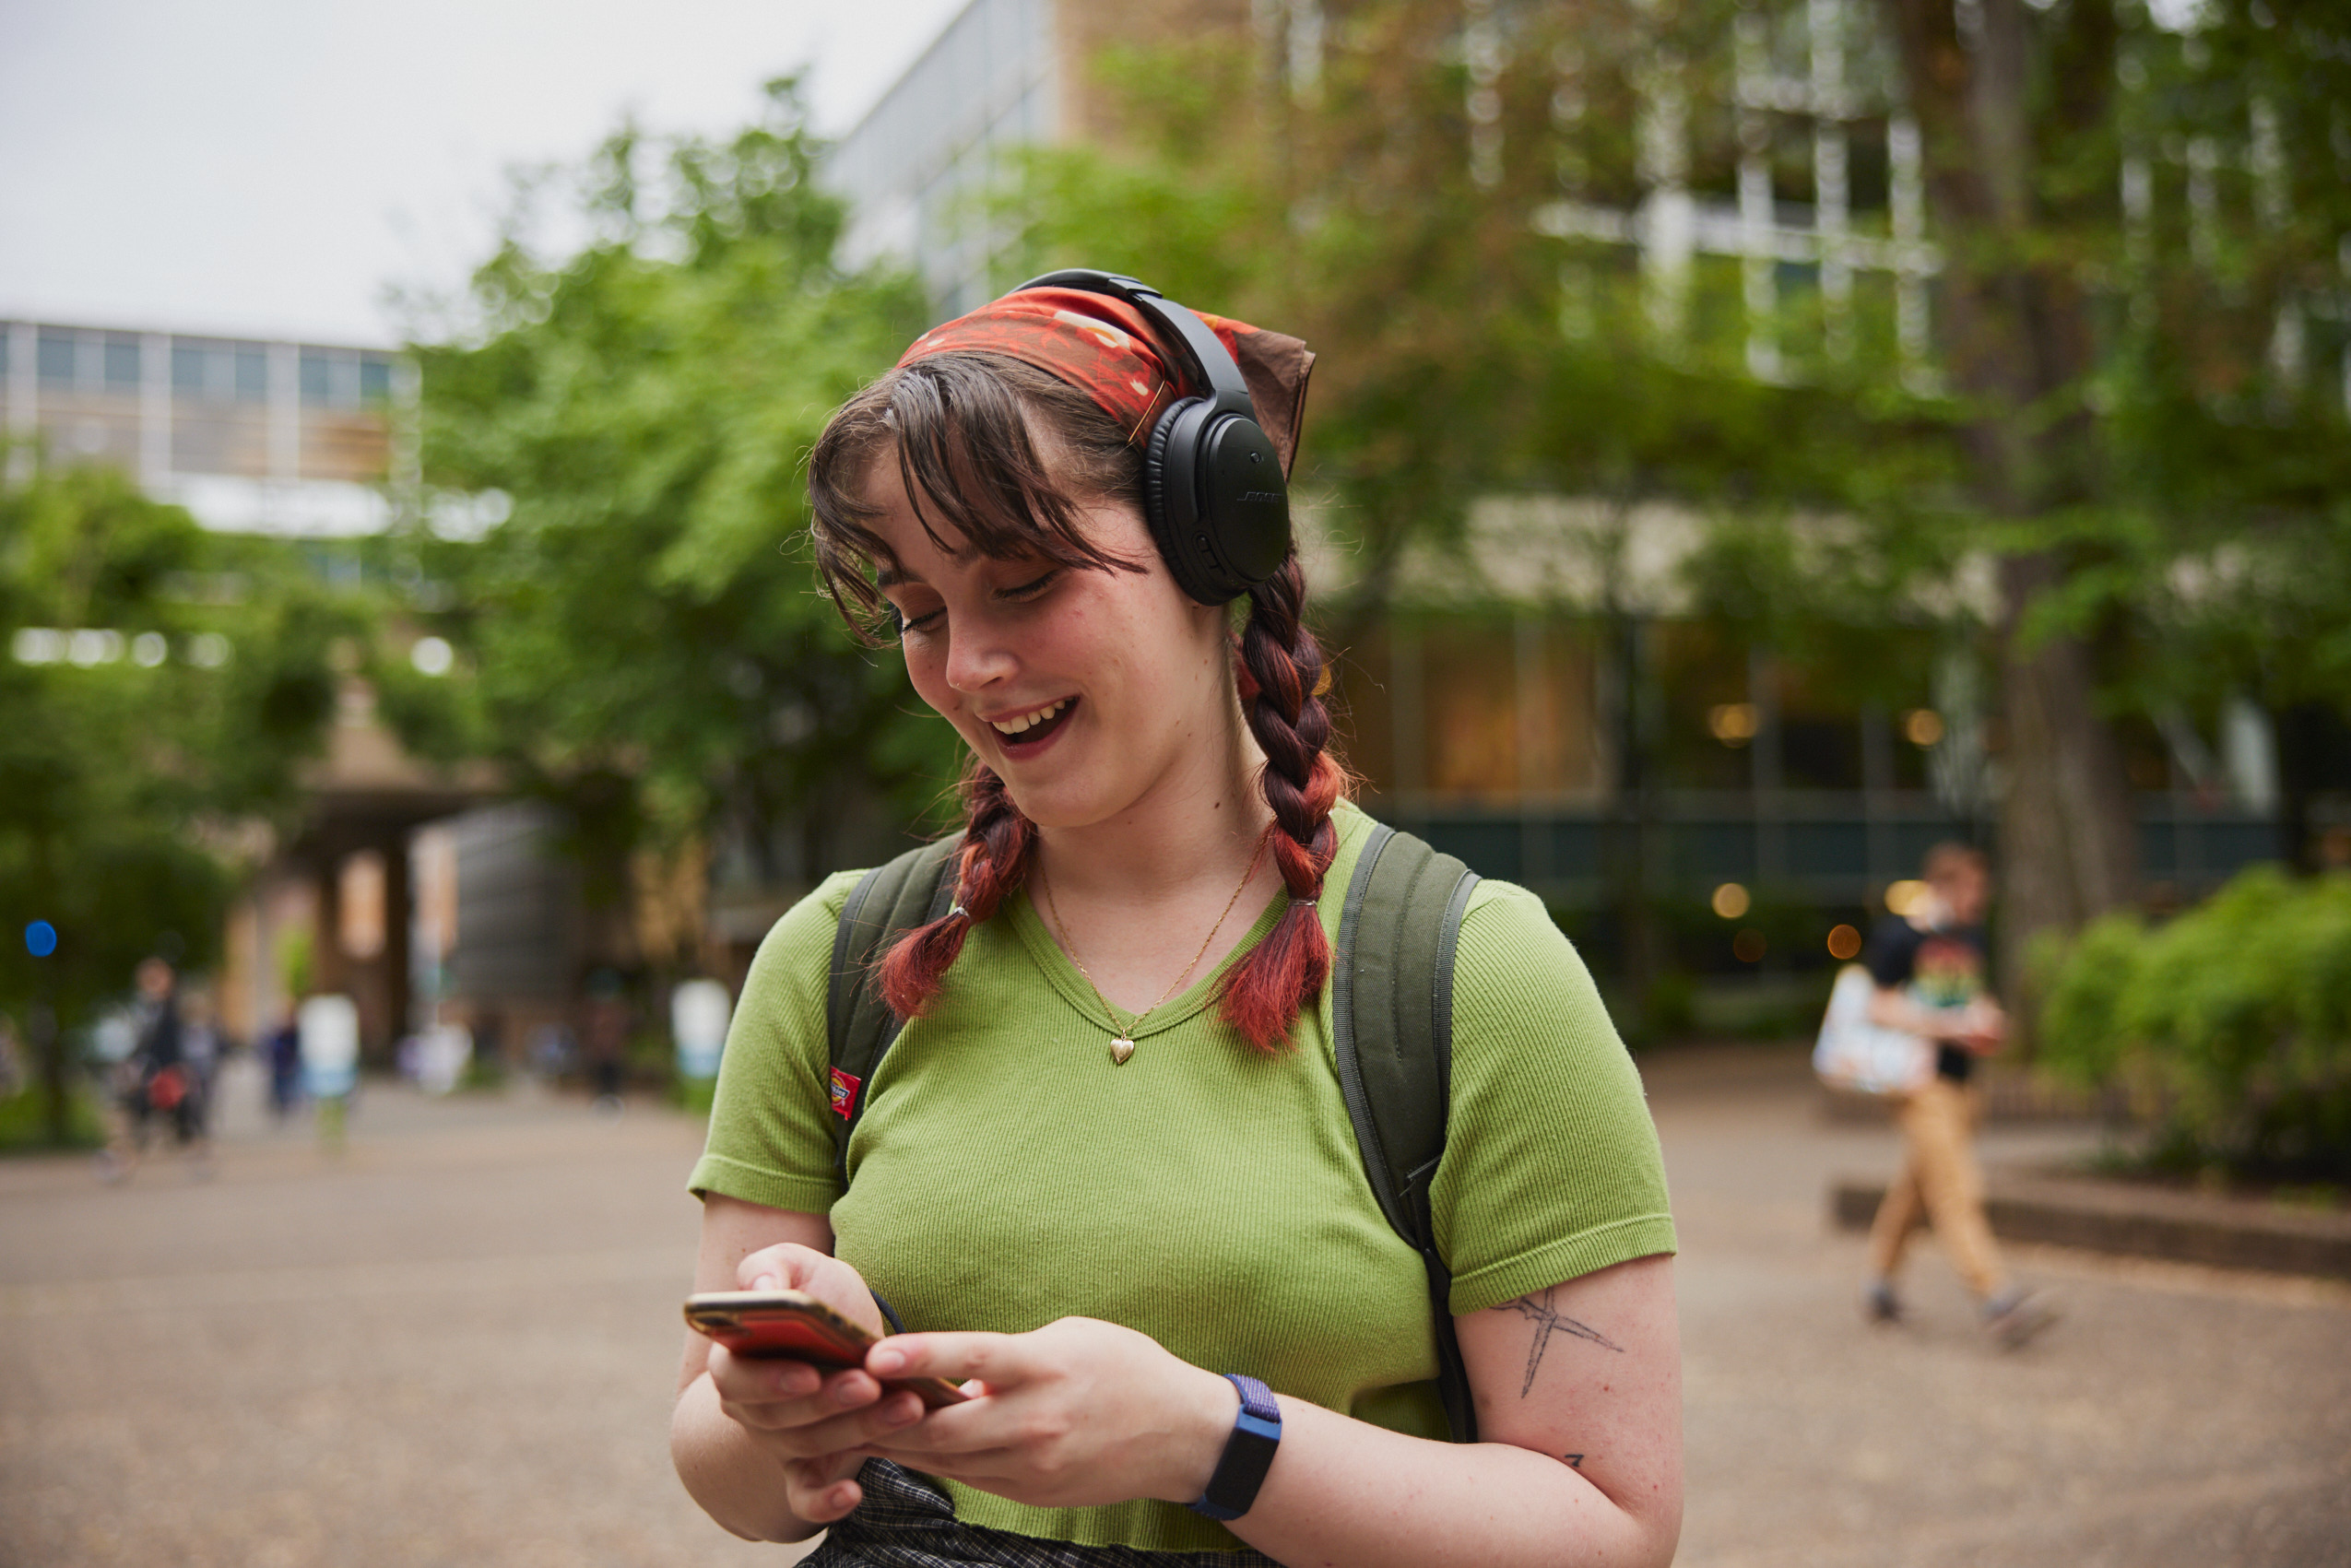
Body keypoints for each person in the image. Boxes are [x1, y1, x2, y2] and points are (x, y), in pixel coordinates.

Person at [668, 276, 1683, 1567]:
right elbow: (723, 1471)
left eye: (1022, 581)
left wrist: (1213, 1442)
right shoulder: (836, 958)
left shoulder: (1473, 975)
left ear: (1215, 546)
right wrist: (787, 1412)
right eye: (918, 612)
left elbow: (1611, 1528)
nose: (966, 665)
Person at [1860, 843, 2055, 1347]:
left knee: (1917, 1187)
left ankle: (1879, 1283)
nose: (1980, 897)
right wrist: (1946, 1026)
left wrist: (1987, 1021)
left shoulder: (1970, 937)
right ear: (1943, 885)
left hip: (1963, 1084)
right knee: (1955, 1187)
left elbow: (1973, 997)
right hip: (1918, 1084)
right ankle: (1997, 1298)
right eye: (1973, 887)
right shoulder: (1900, 937)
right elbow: (1877, 1008)